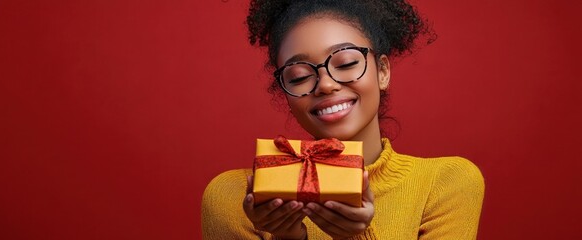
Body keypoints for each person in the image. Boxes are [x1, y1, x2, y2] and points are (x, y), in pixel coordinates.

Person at [201, 0, 484, 239]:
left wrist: (355, 236)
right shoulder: (235, 196)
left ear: (382, 71)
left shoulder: (445, 183)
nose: (325, 85)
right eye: (299, 76)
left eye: (347, 63)